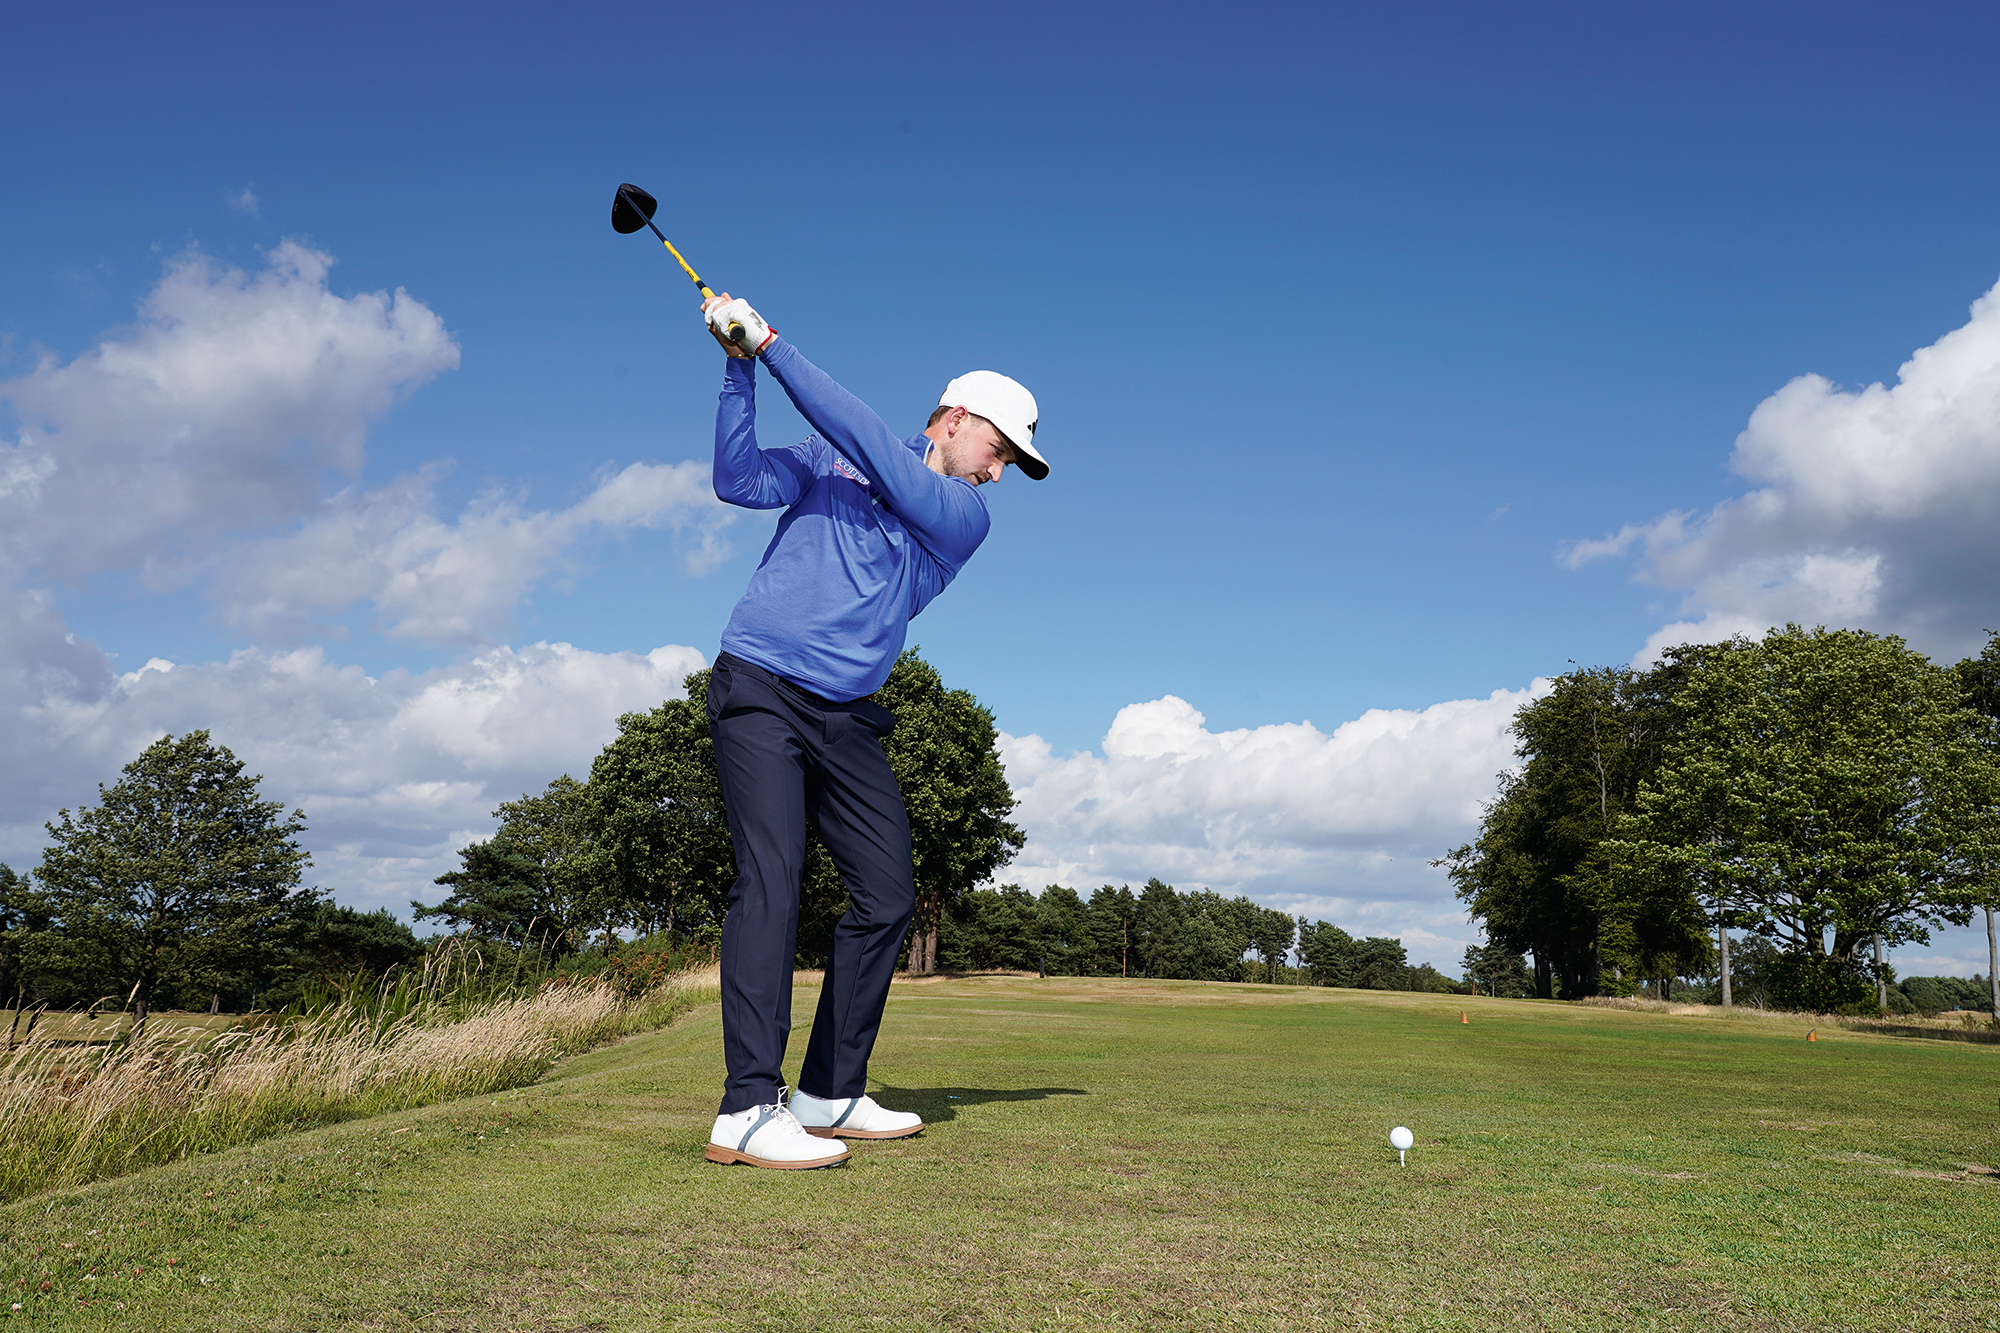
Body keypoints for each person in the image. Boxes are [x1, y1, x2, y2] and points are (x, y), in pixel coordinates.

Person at [694, 293, 1047, 1170]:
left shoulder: (962, 517)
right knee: (771, 880)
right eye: (999, 450)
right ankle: (746, 1107)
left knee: (887, 894)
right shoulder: (832, 454)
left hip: (846, 716)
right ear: (958, 419)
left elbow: (875, 452)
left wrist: (771, 342)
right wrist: (739, 368)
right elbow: (738, 479)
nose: (998, 471)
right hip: (763, 688)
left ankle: (827, 1092)